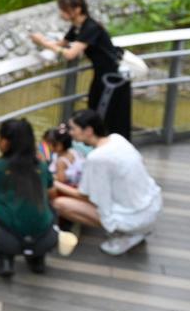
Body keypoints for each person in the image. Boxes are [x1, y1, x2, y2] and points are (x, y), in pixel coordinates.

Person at [52, 109, 161, 255]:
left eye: (73, 128)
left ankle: (126, 233)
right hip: (151, 206)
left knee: (60, 204)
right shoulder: (117, 139)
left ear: (88, 130)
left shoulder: (97, 157)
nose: (70, 132)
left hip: (135, 217)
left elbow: (84, 196)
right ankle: (133, 230)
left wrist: (54, 183)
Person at [0, 119, 60, 278]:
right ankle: (37, 258)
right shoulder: (41, 167)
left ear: (5, 142)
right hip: (47, 238)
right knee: (49, 211)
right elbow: (52, 194)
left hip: (7, 239)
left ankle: (5, 259)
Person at [30, 0, 131, 139]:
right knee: (96, 110)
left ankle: (107, 145)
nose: (61, 13)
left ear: (77, 10)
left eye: (64, 10)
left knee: (108, 116)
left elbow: (70, 53)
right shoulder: (77, 27)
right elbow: (61, 45)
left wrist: (43, 42)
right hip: (102, 77)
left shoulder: (91, 27)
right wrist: (41, 41)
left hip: (112, 79)